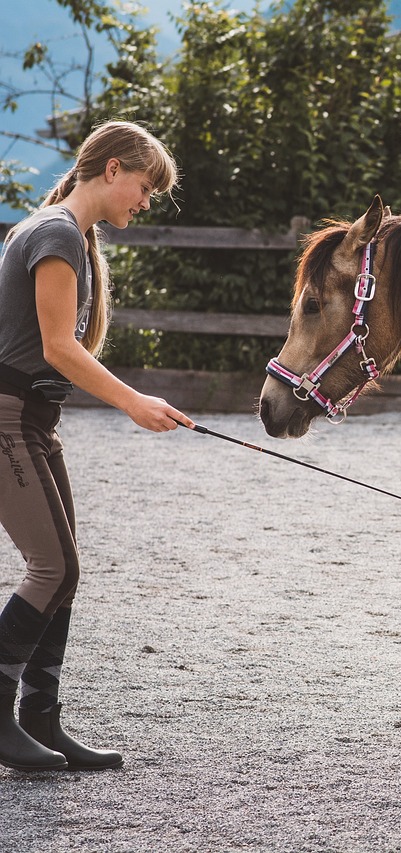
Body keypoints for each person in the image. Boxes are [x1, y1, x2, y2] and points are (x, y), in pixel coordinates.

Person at [0, 120, 193, 771]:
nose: (145, 200)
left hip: (35, 421)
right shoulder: (55, 233)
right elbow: (59, 347)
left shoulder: (68, 236)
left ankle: (41, 718)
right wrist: (134, 402)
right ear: (112, 169)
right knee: (53, 568)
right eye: (144, 186)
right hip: (7, 419)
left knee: (64, 572)